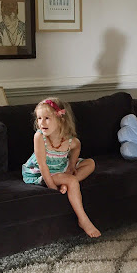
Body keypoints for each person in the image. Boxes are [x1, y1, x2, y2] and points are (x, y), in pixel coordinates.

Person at [22, 97, 100, 238]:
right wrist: (53, 189)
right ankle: (83, 219)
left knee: (91, 163)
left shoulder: (69, 140)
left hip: (61, 168)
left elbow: (77, 146)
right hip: (42, 173)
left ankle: (67, 182)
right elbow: (42, 165)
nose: (41, 123)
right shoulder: (39, 137)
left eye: (47, 118)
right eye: (39, 118)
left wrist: (71, 165)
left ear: (61, 119)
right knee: (72, 181)